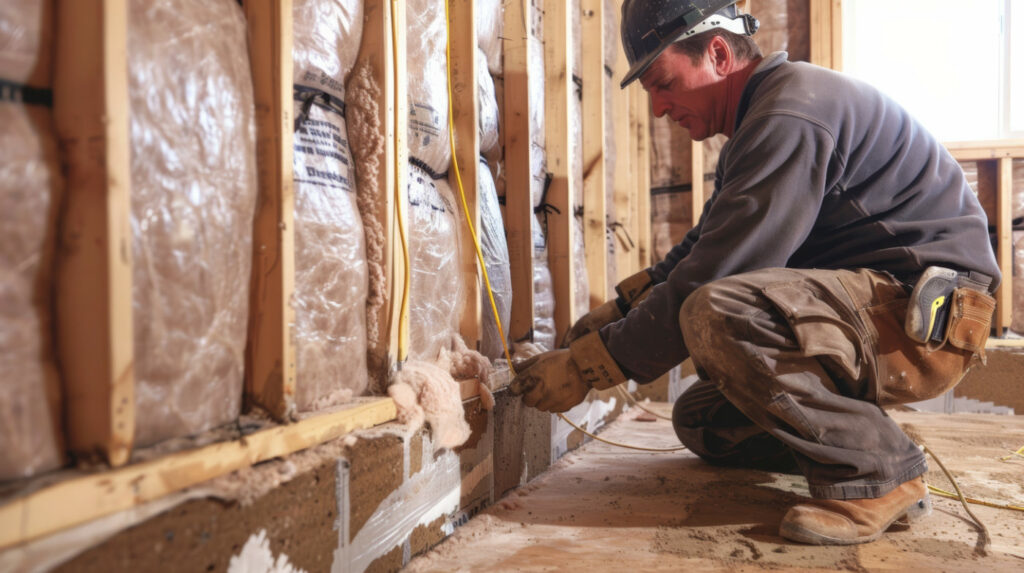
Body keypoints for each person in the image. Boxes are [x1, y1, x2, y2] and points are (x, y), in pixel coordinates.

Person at [509, 0, 1000, 546]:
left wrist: (591, 364)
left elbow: (718, 274)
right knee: (704, 422)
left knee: (716, 311)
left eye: (662, 82)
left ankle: (876, 474)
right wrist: (621, 311)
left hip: (925, 321)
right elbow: (705, 246)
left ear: (717, 53)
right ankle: (863, 436)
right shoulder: (765, 117)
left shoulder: (789, 115)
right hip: (883, 310)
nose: (658, 108)